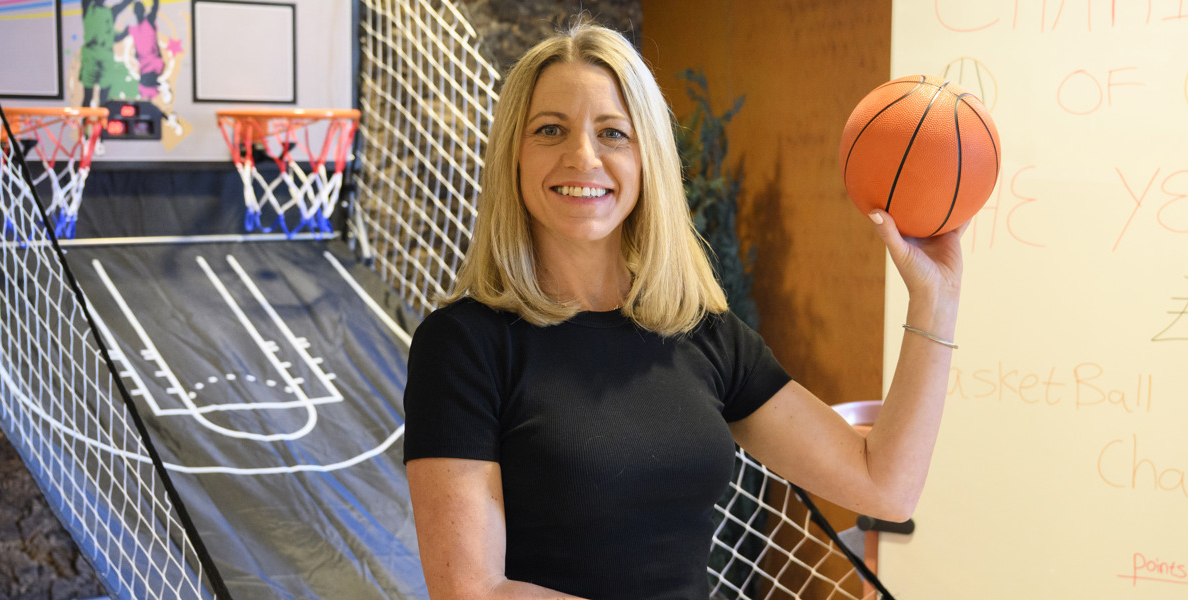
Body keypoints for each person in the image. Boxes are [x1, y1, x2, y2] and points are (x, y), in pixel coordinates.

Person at [403, 22, 963, 600]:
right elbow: (473, 590)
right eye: (550, 130)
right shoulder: (463, 345)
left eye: (613, 133)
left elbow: (884, 485)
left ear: (649, 160)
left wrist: (936, 301)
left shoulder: (703, 334)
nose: (583, 157)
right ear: (512, 157)